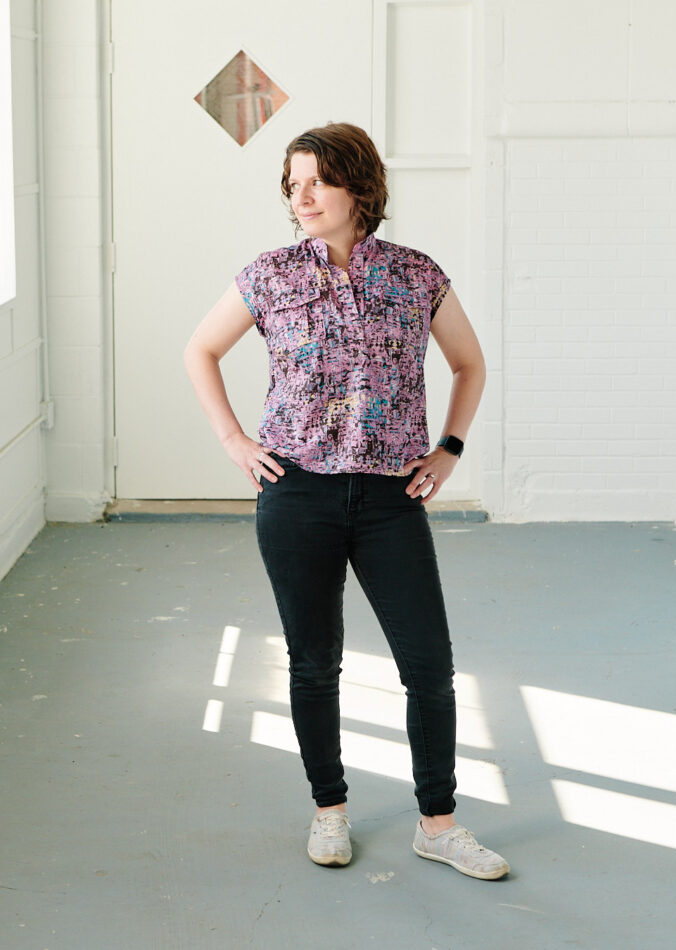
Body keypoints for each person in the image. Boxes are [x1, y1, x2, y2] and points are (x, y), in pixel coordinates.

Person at [183, 121, 509, 880]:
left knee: (429, 665)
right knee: (312, 663)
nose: (300, 196)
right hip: (297, 495)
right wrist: (235, 441)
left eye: (317, 181)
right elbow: (200, 348)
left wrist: (449, 449)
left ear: (359, 187)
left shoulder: (415, 274)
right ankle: (329, 811)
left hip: (392, 497)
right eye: (291, 183)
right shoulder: (269, 275)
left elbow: (468, 364)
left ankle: (439, 824)